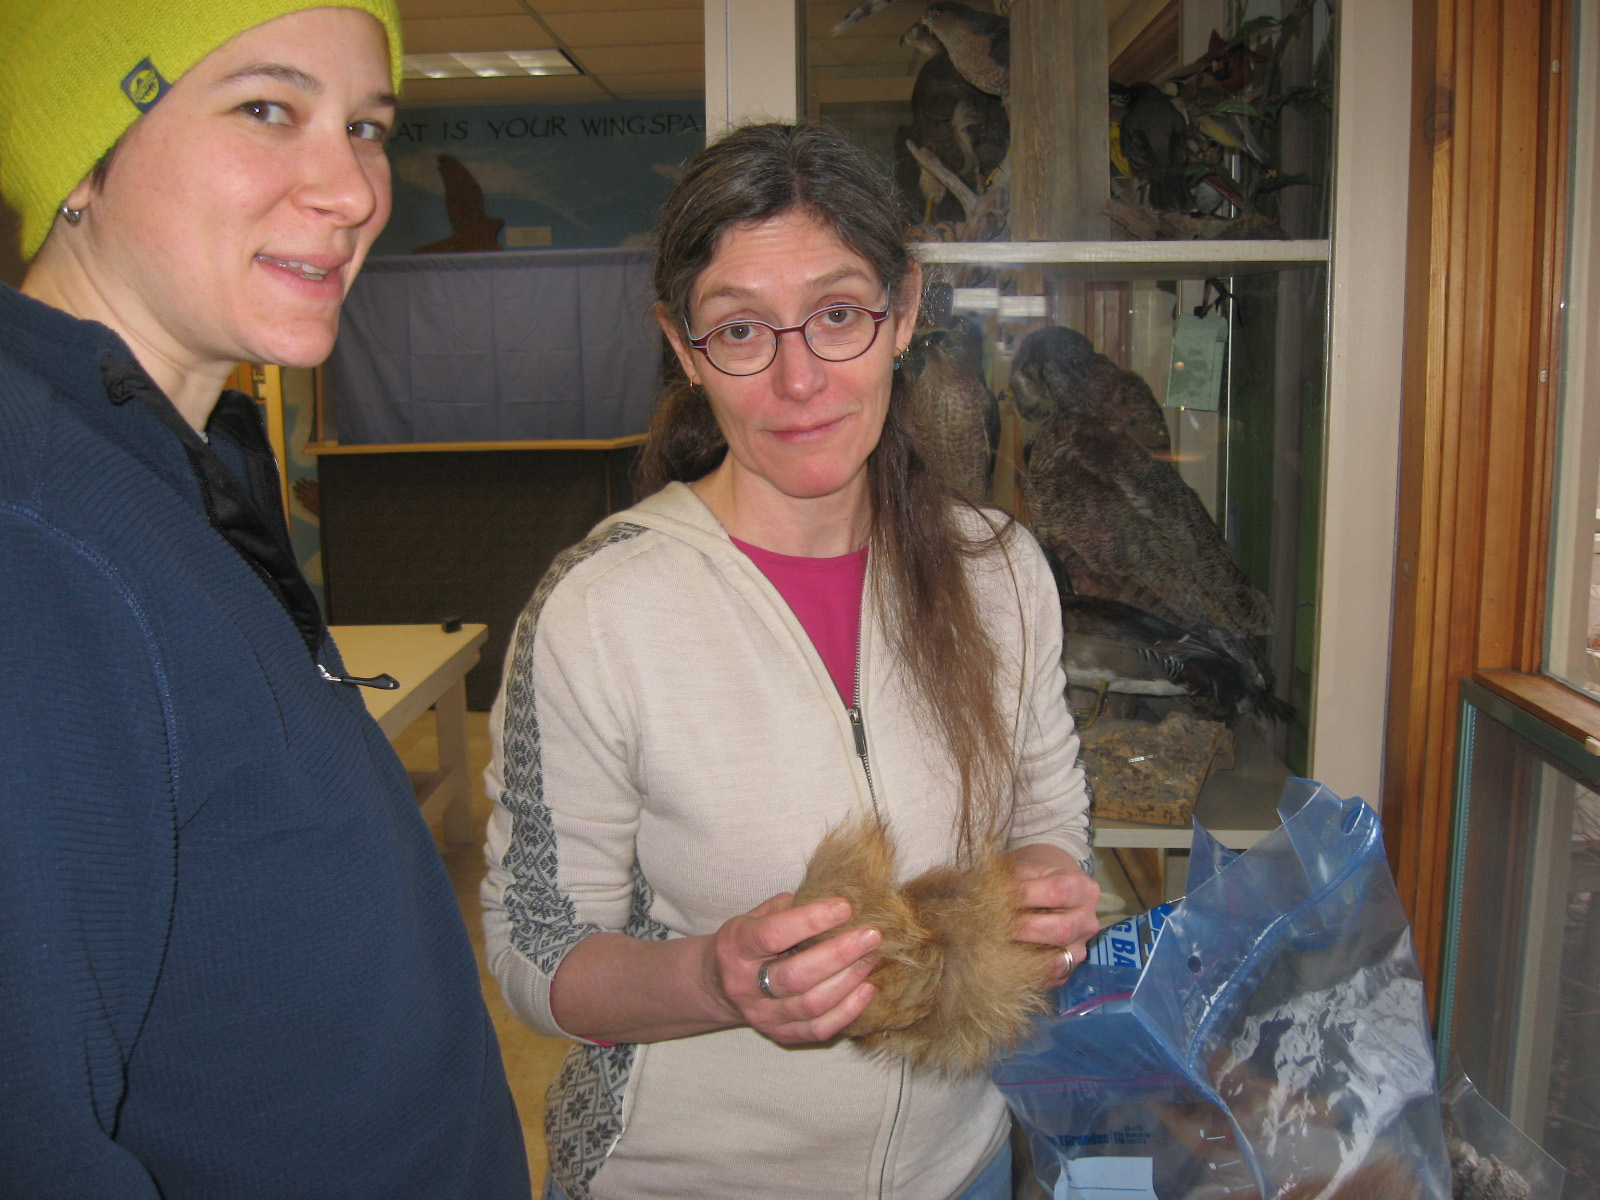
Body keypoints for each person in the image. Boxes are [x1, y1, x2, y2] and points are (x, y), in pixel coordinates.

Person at [481, 122, 1100, 1200]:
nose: (799, 379)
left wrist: (1050, 885)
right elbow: (536, 950)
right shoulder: (601, 611)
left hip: (961, 1169)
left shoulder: (999, 573)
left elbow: (1051, 820)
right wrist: (711, 977)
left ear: (903, 313)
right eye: (740, 331)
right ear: (683, 348)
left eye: (836, 315)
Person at [0, 4, 528, 1197]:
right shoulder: (33, 534)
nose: (352, 190)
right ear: (86, 162)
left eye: (367, 127)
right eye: (267, 110)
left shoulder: (168, 466)